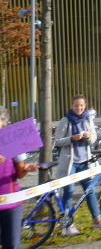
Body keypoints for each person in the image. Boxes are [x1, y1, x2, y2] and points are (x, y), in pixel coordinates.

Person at [53, 94, 101, 236]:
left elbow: (94, 137)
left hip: (85, 162)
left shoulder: (88, 119)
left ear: (85, 106)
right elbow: (57, 141)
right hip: (70, 163)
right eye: (76, 106)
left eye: (81, 106)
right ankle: (67, 225)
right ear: (72, 106)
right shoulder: (65, 120)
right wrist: (71, 138)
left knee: (89, 191)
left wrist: (89, 137)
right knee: (68, 192)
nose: (79, 108)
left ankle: (96, 220)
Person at [0, 106, 39, 249]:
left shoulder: (11, 139)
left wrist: (27, 169)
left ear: (3, 121)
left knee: (12, 244)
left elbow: (20, 173)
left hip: (11, 202)